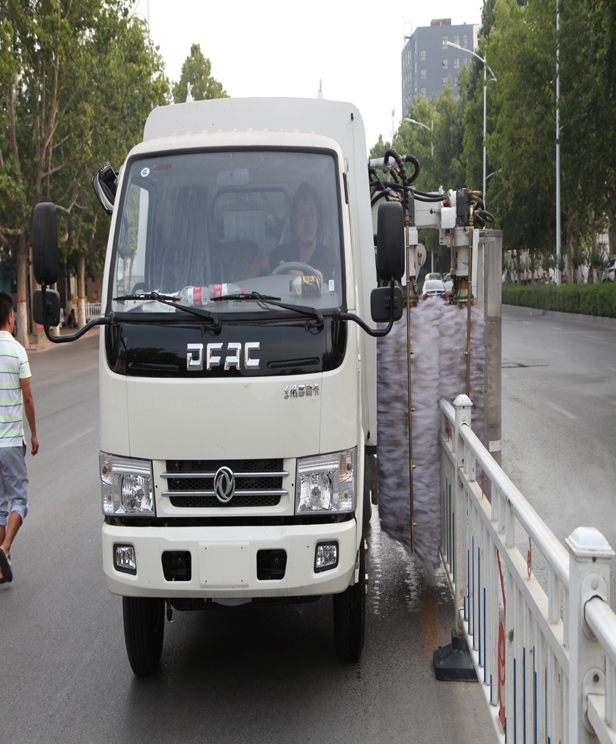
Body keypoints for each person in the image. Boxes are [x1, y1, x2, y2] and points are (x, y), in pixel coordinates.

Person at [0, 292, 38, 584]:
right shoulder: (17, 351)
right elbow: (27, 398)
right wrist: (34, 434)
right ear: (11, 317)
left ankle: (2, 566)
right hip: (12, 443)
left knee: (1, 505)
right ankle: (5, 547)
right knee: (19, 501)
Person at [247, 182, 335, 280]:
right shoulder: (286, 252)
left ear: (317, 220)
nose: (307, 222)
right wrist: (245, 294)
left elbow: (319, 278)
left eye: (311, 214)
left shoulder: (326, 255)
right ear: (295, 222)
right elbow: (258, 262)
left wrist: (289, 273)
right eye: (302, 215)